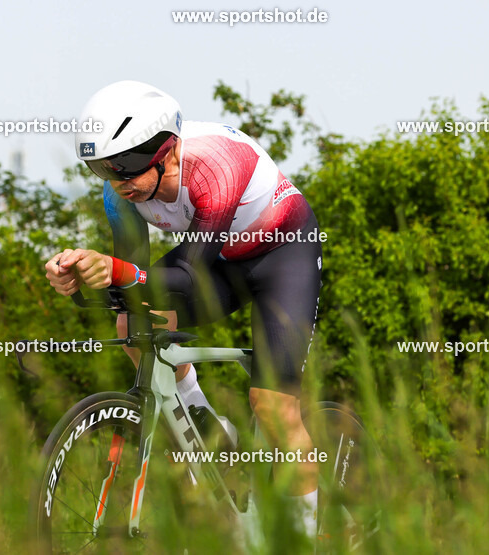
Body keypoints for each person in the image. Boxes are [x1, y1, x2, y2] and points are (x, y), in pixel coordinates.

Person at [44, 80, 323, 538]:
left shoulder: (216, 166)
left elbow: (189, 277)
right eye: (102, 169)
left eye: (128, 166)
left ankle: (304, 541)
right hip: (220, 259)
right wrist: (77, 281)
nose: (118, 182)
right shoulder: (122, 193)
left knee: (272, 407)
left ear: (169, 151)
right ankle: (211, 430)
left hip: (280, 258)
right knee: (132, 319)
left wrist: (117, 272)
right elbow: (133, 280)